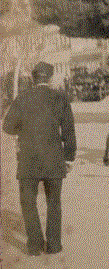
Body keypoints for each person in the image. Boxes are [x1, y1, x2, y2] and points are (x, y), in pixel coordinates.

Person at [3, 62, 76, 255]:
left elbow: (7, 127)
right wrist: (69, 158)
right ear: (50, 78)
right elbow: (69, 130)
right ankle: (53, 245)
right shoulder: (60, 98)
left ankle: (34, 246)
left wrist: (24, 129)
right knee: (54, 203)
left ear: (33, 78)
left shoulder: (22, 98)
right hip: (53, 159)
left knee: (28, 202)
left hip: (28, 160)